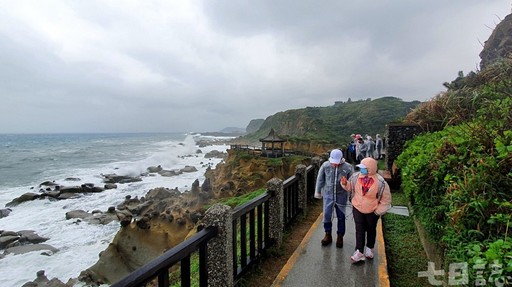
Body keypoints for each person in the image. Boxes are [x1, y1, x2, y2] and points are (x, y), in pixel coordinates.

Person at [341, 157, 391, 263]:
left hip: (372, 211)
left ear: (370, 169)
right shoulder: (356, 177)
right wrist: (345, 184)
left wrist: (377, 212)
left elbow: (386, 200)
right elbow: (351, 188)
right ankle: (359, 251)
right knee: (359, 230)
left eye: (364, 168)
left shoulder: (381, 182)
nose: (362, 170)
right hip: (357, 207)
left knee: (371, 229)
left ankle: (369, 248)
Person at [314, 149, 354, 248]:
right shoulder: (325, 165)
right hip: (328, 195)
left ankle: (340, 236)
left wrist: (351, 195)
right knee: (327, 214)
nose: (335, 165)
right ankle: (328, 234)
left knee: (341, 216)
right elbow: (320, 179)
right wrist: (318, 191)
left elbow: (352, 182)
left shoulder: (348, 167)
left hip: (341, 195)